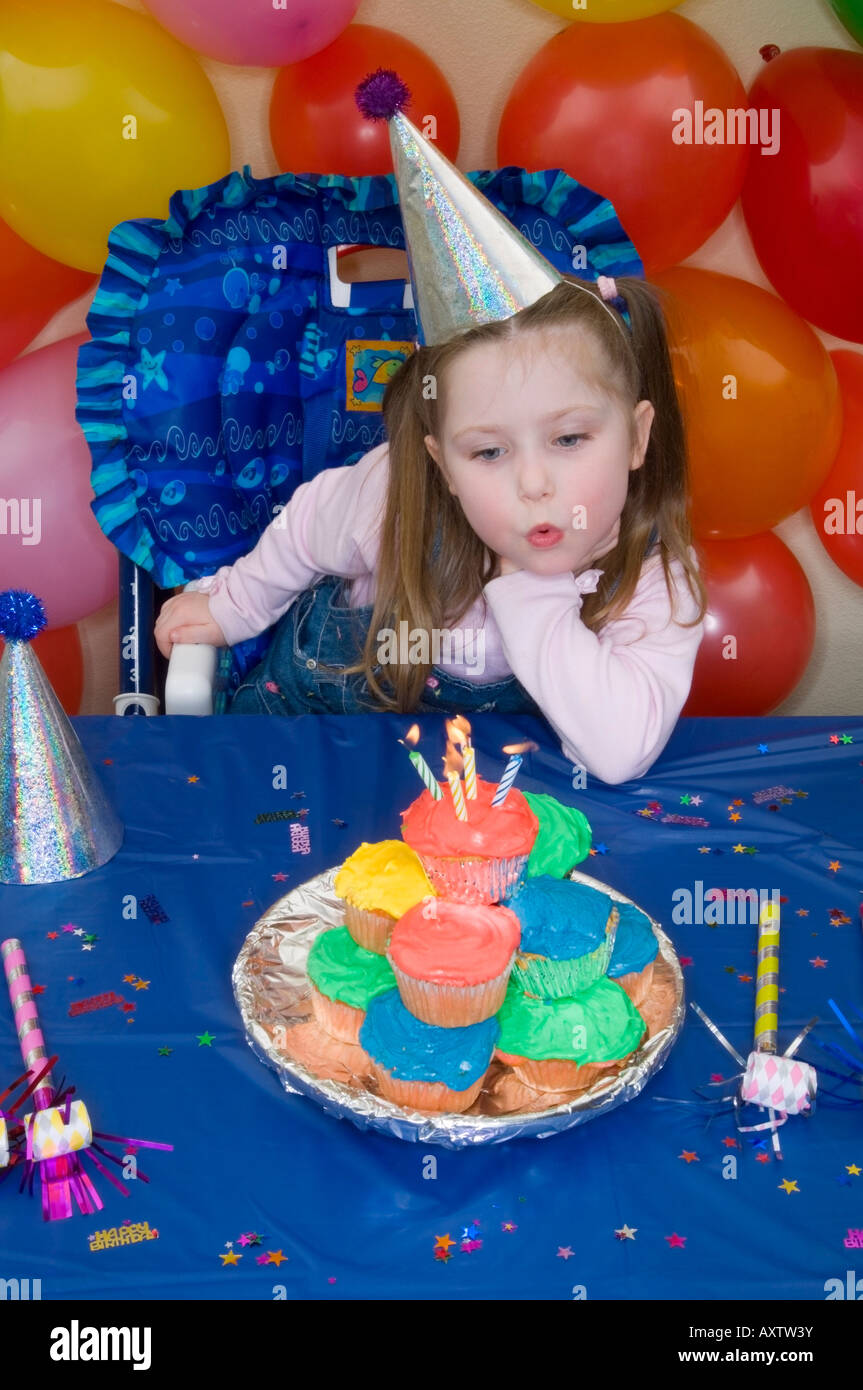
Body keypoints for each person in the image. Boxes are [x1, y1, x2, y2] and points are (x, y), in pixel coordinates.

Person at [155, 272, 707, 785]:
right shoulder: (394, 494)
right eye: (489, 451)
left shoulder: (654, 575)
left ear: (636, 438)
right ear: (443, 466)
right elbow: (306, 526)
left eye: (568, 439)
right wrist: (234, 605)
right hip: (311, 733)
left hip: (480, 782)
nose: (533, 484)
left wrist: (534, 587)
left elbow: (618, 752)